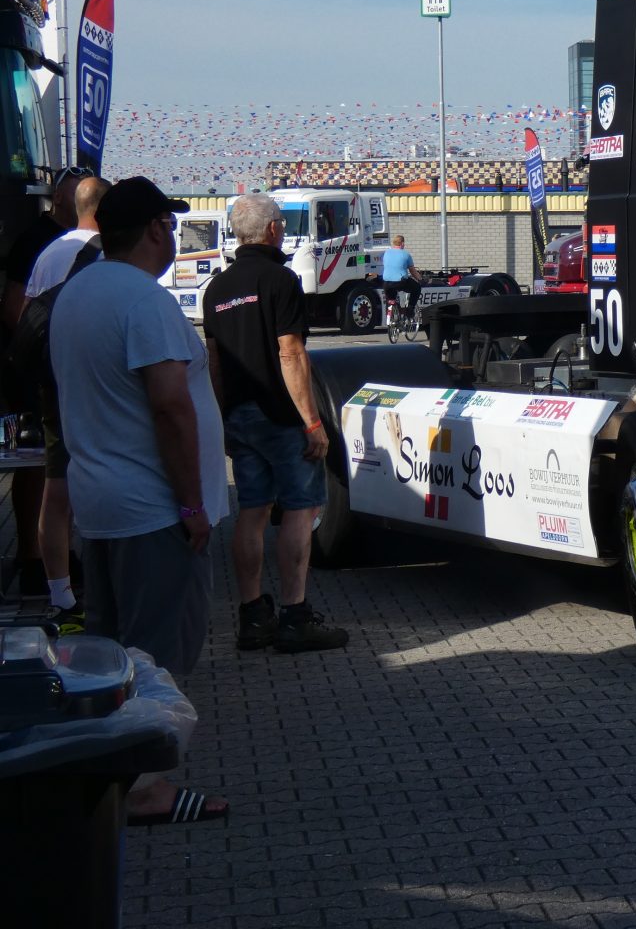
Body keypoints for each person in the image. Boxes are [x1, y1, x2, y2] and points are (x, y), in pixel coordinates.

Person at [51, 176, 229, 824]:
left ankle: (103, 776)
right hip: (152, 509)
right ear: (156, 229)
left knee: (112, 654)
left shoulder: (76, 293)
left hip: (99, 503)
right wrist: (192, 506)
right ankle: (146, 787)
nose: (174, 235)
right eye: (171, 225)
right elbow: (170, 408)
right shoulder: (144, 301)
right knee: (158, 655)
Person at [203, 194, 347, 653]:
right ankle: (294, 615)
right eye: (281, 224)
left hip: (239, 415)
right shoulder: (281, 280)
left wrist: (223, 418)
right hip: (282, 417)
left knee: (252, 510)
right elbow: (291, 352)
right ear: (271, 230)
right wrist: (312, 422)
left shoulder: (217, 289)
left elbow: (214, 363)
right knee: (300, 509)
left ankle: (252, 616)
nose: (283, 230)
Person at [24, 174, 111, 623]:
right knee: (104, 478)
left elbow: (27, 316)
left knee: (56, 488)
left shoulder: (49, 253)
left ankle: (61, 595)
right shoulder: (107, 253)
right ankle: (106, 584)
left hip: (52, 382)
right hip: (96, 382)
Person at [1, 169, 80, 596]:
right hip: (38, 372)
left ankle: (57, 553)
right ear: (59, 199)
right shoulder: (36, 240)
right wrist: (42, 361)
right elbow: (15, 308)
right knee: (39, 465)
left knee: (60, 465)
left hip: (59, 369)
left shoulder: (73, 240)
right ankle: (33, 557)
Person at [381, 233, 423, 316]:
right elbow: (412, 271)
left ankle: (391, 312)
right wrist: (420, 279)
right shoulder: (406, 254)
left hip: (386, 283)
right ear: (402, 243)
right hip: (400, 282)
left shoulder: (386, 253)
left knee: (391, 299)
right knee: (417, 288)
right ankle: (410, 309)